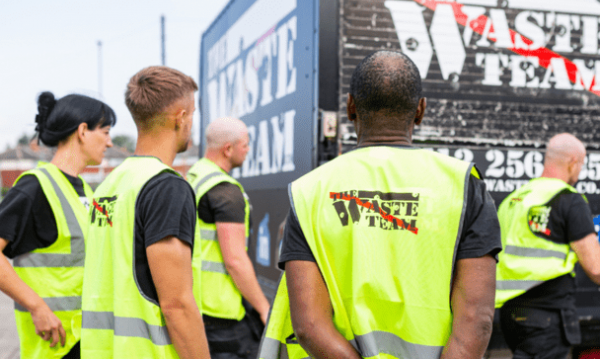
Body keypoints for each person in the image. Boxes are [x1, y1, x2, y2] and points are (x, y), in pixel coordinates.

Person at [258, 50, 502, 359]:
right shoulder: (463, 185)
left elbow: (308, 324)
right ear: (420, 110)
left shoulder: (311, 191)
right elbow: (476, 321)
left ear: (350, 108)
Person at [81, 66, 210, 359]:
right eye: (193, 114)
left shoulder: (110, 185)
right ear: (182, 118)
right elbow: (176, 304)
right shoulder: (166, 187)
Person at [0, 92, 115, 359]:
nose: (110, 143)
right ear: (83, 131)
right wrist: (36, 306)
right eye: (106, 131)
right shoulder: (36, 186)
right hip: (57, 345)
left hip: (88, 339)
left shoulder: (84, 189)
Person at [496, 133, 600, 359]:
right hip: (547, 315)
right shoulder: (569, 199)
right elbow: (596, 268)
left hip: (510, 316)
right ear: (573, 162)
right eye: (581, 165)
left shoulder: (516, 199)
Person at [187, 117, 270, 359]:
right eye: (245, 144)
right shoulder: (225, 191)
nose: (248, 150)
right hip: (222, 313)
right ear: (228, 149)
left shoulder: (195, 176)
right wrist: (264, 309)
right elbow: (234, 259)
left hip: (198, 303)